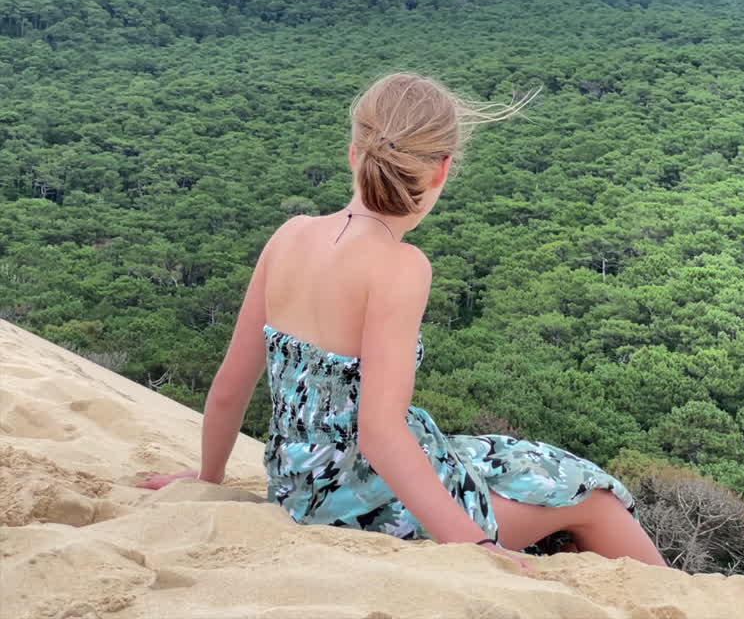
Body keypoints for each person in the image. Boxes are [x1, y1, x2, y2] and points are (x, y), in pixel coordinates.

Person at [140, 73, 666, 570]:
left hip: (295, 485)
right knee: (592, 495)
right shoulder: (401, 266)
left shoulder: (290, 235)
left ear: (353, 154)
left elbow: (232, 384)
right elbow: (380, 433)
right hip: (364, 501)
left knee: (513, 455)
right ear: (442, 169)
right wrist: (474, 545)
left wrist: (207, 478)